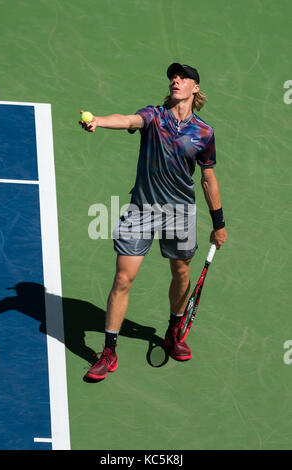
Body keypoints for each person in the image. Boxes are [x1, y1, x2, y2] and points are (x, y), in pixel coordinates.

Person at [79, 62, 227, 380]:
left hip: (181, 214)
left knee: (182, 274)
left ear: (195, 88)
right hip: (141, 211)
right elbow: (127, 119)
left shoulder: (204, 133)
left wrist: (219, 222)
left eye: (183, 77)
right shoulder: (153, 116)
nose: (176, 80)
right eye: (173, 76)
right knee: (122, 280)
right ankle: (108, 351)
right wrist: (100, 122)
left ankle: (174, 329)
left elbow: (208, 180)